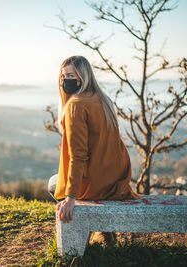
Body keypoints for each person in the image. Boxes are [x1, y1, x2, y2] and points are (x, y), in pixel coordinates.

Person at [48, 55, 144, 244]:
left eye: (70, 76)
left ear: (82, 78)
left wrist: (70, 198)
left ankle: (80, 239)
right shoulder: (102, 99)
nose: (65, 81)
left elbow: (78, 156)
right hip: (115, 181)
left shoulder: (75, 106)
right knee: (61, 182)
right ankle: (105, 235)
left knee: (53, 184)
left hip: (96, 185)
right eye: (63, 76)